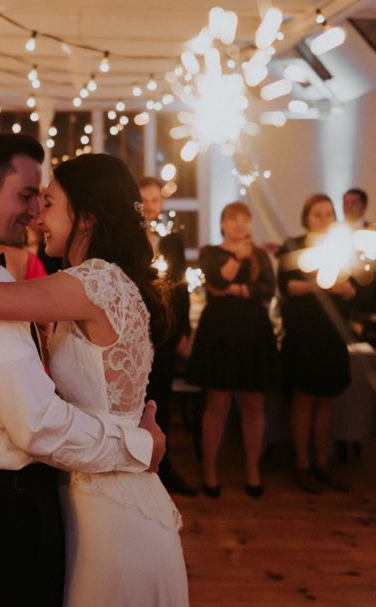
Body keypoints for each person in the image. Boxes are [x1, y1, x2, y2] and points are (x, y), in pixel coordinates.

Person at [0, 135, 184, 607]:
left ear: (87, 216)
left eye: (47, 201)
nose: (35, 214)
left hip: (78, 498)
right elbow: (35, 423)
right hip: (20, 497)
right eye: (30, 196)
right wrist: (137, 444)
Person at [187, 202, 279, 498]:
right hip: (221, 332)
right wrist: (238, 260)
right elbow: (215, 282)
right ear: (223, 223)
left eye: (245, 219)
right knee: (218, 404)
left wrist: (238, 290)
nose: (240, 225)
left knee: (254, 403)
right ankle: (210, 472)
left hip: (254, 331)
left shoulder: (261, 255)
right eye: (233, 219)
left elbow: (269, 288)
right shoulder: (210, 252)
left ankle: (253, 470)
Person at [278, 194, 355, 494]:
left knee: (326, 400)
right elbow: (286, 286)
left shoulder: (342, 250)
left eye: (328, 214)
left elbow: (356, 289)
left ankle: (322, 462)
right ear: (306, 217)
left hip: (331, 334)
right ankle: (302, 464)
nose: (323, 219)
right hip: (304, 334)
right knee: (304, 398)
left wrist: (347, 291)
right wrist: (318, 284)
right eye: (317, 214)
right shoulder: (294, 247)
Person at [139, 176, 196, 497]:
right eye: (144, 199)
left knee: (162, 398)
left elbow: (182, 287)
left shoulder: (172, 241)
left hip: (168, 329)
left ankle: (165, 465)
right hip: (136, 327)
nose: (150, 205)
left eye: (155, 200)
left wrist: (184, 329)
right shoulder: (128, 239)